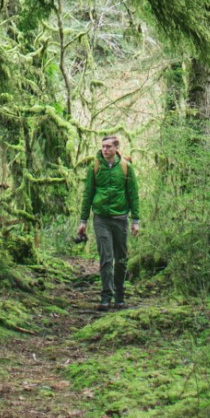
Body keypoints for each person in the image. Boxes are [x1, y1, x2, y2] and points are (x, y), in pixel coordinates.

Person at [75, 133, 141, 310]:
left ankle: (120, 296)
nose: (105, 150)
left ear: (116, 148)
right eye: (103, 147)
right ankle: (106, 297)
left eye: (109, 147)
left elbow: (133, 194)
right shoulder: (95, 167)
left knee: (121, 259)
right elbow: (88, 194)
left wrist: (136, 220)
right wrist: (83, 221)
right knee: (106, 258)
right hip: (101, 219)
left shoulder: (126, 168)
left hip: (120, 219)